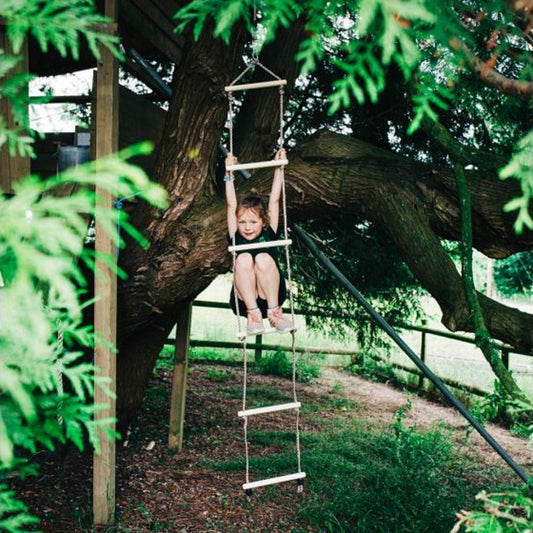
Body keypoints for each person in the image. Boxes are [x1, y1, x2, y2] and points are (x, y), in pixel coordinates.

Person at [225, 148, 294, 335]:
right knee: (244, 258)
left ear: (263, 222)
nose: (247, 227)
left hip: (270, 294)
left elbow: (275, 200)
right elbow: (231, 205)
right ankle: (253, 316)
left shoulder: (269, 233)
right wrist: (228, 174)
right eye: (242, 222)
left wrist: (278, 168)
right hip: (245, 300)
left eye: (253, 222)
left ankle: (275, 314)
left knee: (263, 258)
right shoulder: (236, 236)